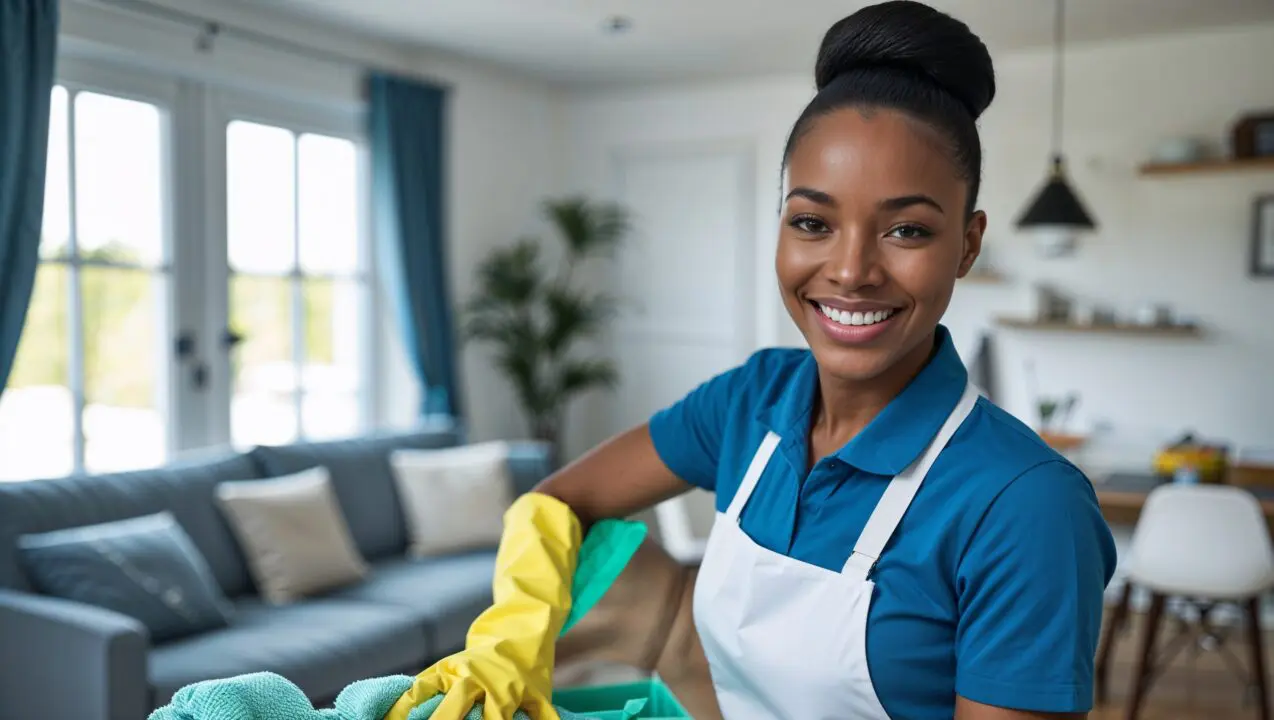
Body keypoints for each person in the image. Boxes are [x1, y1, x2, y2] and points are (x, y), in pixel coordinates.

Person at [386, 1, 1118, 719]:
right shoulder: (751, 403)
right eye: (812, 222)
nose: (851, 269)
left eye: (906, 229)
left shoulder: (1026, 506)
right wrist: (510, 641)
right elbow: (554, 503)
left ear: (967, 243)